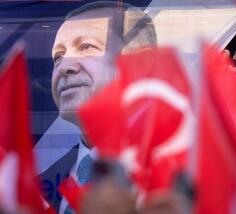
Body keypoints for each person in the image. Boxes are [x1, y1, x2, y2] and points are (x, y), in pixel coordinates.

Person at [36, 1, 157, 212]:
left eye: (86, 47)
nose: (64, 66)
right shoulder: (39, 188)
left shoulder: (189, 173)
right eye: (58, 56)